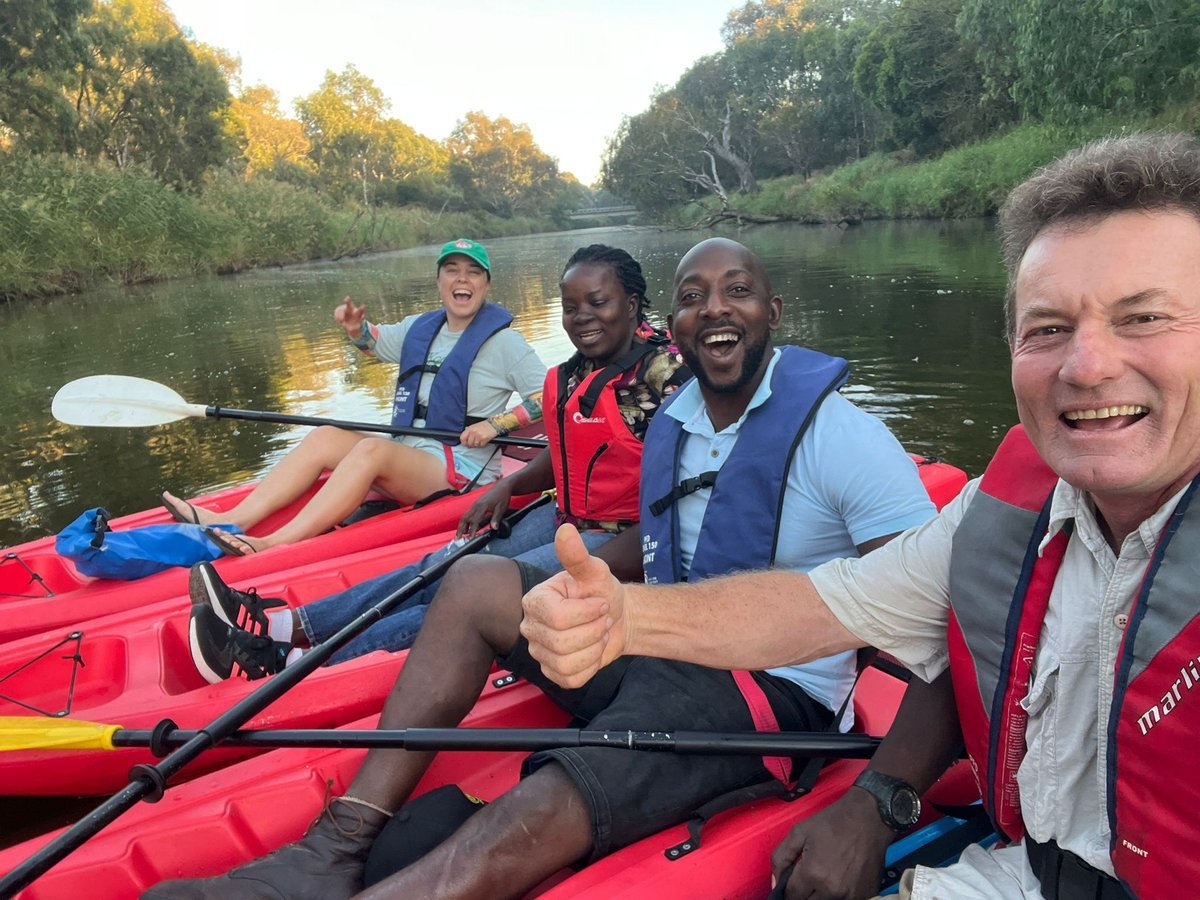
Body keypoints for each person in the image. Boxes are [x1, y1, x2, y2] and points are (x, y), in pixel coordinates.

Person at [143, 237, 937, 899]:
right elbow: (661, 546)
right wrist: (575, 578)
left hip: (767, 692)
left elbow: (947, 628)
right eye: (695, 296)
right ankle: (337, 845)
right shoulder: (682, 420)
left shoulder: (847, 441)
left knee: (546, 797)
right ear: (678, 324)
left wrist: (879, 802)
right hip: (658, 634)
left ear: (773, 313)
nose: (716, 307)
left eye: (738, 291)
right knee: (477, 580)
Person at [522, 134, 1200, 899]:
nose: (1087, 366)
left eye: (1143, 318)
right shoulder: (1007, 510)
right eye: (1047, 329)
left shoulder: (843, 438)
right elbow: (822, 603)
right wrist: (623, 617)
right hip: (1028, 872)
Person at [186, 244, 690, 681]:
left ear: (632, 303)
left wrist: (599, 566)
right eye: (570, 307)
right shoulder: (580, 367)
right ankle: (286, 623)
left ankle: (290, 662)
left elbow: (681, 501)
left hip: (621, 541)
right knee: (445, 563)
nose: (582, 318)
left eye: (597, 304)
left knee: (469, 592)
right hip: (568, 518)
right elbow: (571, 452)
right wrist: (505, 490)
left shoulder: (667, 377)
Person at [160, 238, 546, 555]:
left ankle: (271, 544)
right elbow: (373, 343)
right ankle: (235, 519)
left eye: (473, 272)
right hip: (410, 450)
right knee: (325, 435)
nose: (462, 279)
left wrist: (498, 424)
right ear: (439, 281)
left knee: (370, 452)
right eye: (452, 270)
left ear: (486, 284)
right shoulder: (419, 327)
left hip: (458, 467)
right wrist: (355, 328)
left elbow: (550, 393)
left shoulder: (505, 342)